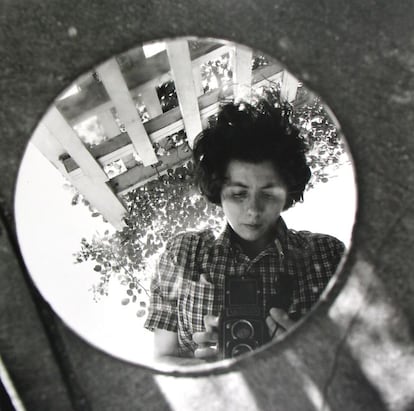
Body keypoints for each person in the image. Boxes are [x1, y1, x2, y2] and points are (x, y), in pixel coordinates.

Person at [144, 98, 345, 365]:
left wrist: (312, 356)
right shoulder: (183, 253)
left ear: (287, 193)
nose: (253, 210)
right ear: (219, 191)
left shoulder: (328, 256)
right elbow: (163, 359)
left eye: (268, 194)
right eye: (239, 194)